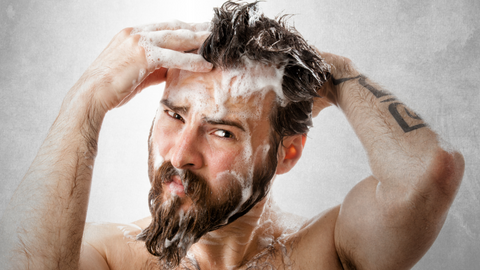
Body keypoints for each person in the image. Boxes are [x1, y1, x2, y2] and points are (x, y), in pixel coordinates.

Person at [0, 1, 464, 269]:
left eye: (221, 132)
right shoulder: (108, 257)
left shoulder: (329, 251)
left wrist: (339, 73)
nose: (180, 154)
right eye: (175, 115)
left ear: (288, 153)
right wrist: (85, 103)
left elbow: (428, 175)